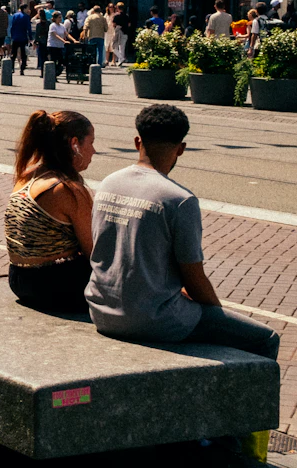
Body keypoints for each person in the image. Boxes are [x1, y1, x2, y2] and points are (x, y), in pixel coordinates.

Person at [86, 105, 280, 359]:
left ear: (137, 141)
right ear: (181, 148)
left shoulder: (108, 184)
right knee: (265, 338)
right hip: (155, 319)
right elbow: (194, 277)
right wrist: (216, 314)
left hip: (101, 311)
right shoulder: (179, 200)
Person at [4, 110, 95, 312]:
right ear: (75, 144)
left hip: (19, 280)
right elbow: (93, 252)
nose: (94, 151)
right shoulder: (66, 189)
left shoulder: (27, 175)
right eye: (91, 142)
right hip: (55, 287)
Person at [10, 4, 32, 75]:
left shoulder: (15, 15)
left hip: (15, 37)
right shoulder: (26, 17)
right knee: (23, 54)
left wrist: (12, 35)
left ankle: (12, 68)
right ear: (24, 8)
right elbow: (29, 28)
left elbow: (12, 26)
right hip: (23, 37)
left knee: (13, 53)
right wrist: (30, 38)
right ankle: (22, 69)